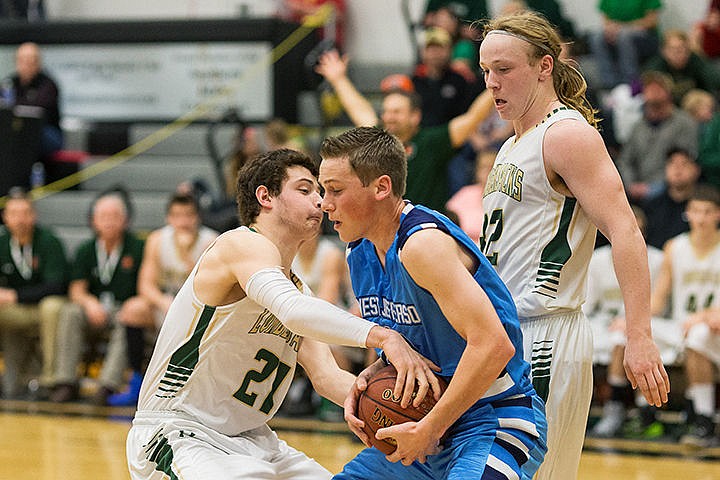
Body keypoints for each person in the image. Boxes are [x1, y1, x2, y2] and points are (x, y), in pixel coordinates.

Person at [125, 148, 439, 480]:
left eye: (320, 192)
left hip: (256, 440)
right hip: (182, 433)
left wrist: (416, 419)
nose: (320, 201)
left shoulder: (299, 291)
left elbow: (326, 377)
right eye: (305, 190)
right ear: (265, 197)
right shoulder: (238, 245)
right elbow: (290, 310)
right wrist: (383, 335)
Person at [477, 12, 669, 479]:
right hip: (501, 333)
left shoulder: (566, 135)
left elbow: (625, 231)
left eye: (504, 69)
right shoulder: (511, 144)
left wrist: (639, 335)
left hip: (545, 337)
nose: (491, 83)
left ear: (545, 66)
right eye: (485, 71)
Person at [319, 126, 547, 478]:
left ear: (382, 187)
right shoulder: (358, 250)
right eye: (322, 190)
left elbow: (493, 346)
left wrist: (430, 429)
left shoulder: (421, 244)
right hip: (426, 420)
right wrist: (372, 376)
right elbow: (416, 343)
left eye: (335, 190)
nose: (324, 203)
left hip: (492, 419)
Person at [315, 49, 494, 213]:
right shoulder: (378, 139)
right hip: (388, 231)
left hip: (425, 231)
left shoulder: (432, 141)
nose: (389, 117)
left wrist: (496, 84)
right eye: (386, 111)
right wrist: (338, 79)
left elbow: (473, 117)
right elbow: (359, 109)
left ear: (415, 116)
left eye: (397, 112)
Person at [107, 191, 219, 407]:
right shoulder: (157, 239)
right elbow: (145, 286)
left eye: (188, 215)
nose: (183, 222)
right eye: (177, 216)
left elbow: (212, 287)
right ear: (168, 218)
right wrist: (162, 302)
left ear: (197, 217)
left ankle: (196, 390)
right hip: (167, 305)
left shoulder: (210, 241)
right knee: (132, 309)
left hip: (198, 309)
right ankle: (136, 382)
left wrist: (187, 257)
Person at [50, 190, 152, 405]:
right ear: (93, 221)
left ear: (125, 220)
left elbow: (145, 286)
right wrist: (90, 303)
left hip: (123, 308)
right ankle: (66, 381)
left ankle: (107, 385)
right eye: (103, 217)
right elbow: (77, 290)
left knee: (127, 318)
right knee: (69, 311)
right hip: (93, 309)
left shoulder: (138, 247)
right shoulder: (86, 250)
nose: (108, 222)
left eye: (114, 216)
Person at [0, 187, 67, 399]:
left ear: (33, 215)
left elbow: (56, 285)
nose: (20, 219)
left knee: (53, 306)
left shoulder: (49, 241)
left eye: (25, 213)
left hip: (43, 310)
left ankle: (52, 380)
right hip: (15, 312)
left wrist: (15, 296)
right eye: (14, 214)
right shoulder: (2, 244)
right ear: (5, 217)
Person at [616, 71, 698, 203]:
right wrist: (631, 184)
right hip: (635, 192)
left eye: (658, 88)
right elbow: (625, 160)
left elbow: (686, 159)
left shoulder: (684, 123)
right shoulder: (637, 126)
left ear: (668, 91)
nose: (653, 92)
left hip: (671, 192)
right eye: (649, 88)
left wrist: (654, 188)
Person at [679, 185, 720, 448]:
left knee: (699, 334)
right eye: (696, 211)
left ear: (717, 214)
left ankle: (703, 418)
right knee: (621, 331)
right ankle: (643, 414)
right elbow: (659, 298)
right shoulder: (675, 247)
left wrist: (706, 316)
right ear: (687, 214)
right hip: (681, 323)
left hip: (712, 327)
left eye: (707, 212)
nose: (702, 218)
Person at [4, 42, 62, 157]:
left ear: (38, 63)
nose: (27, 65)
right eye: (23, 60)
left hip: (46, 132)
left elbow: (37, 111)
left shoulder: (48, 84)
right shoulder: (9, 83)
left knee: (30, 136)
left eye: (32, 60)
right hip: (15, 131)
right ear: (17, 62)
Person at [588, 0, 662, 90]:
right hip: (618, 30)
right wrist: (610, 29)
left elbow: (651, 21)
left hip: (644, 33)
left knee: (624, 36)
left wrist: (624, 27)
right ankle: (608, 82)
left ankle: (630, 80)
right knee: (596, 37)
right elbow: (606, 19)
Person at [642, 147, 701, 249]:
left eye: (684, 164)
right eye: (672, 163)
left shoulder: (704, 206)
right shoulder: (652, 205)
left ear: (696, 170)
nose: (677, 169)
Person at [643, 29, 720, 103]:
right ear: (664, 51)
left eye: (682, 48)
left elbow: (713, 78)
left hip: (694, 107)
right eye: (673, 49)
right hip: (669, 109)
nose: (678, 53)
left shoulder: (696, 61)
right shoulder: (655, 68)